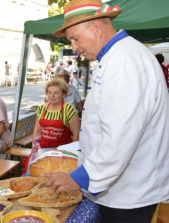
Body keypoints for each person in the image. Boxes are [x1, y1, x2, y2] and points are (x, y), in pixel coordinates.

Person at [42, 0, 169, 222]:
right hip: (121, 189)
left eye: (75, 38)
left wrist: (81, 178)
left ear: (97, 28)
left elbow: (120, 139)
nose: (73, 47)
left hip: (129, 195)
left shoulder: (124, 62)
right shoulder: (116, 57)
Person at [23, 78, 80, 173]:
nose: (52, 96)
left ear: (64, 95)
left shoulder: (69, 109)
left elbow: (76, 134)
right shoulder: (42, 109)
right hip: (43, 150)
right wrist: (32, 152)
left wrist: (72, 155)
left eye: (56, 93)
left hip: (63, 151)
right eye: (49, 92)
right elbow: (37, 132)